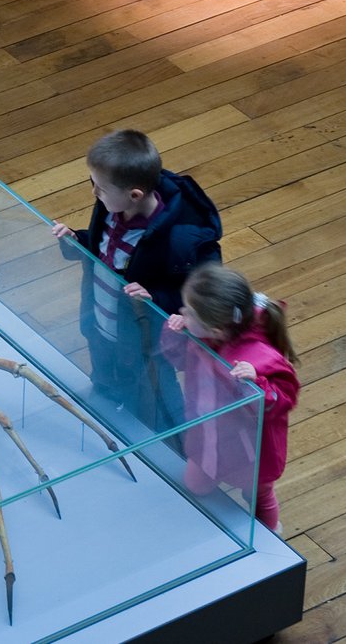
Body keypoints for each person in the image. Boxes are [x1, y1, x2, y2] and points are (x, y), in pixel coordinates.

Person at [51, 129, 222, 438]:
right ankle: (108, 416)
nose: (94, 193)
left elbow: (204, 290)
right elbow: (103, 250)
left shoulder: (182, 237)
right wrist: (76, 241)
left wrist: (154, 298)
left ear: (134, 195)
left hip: (144, 340)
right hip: (101, 321)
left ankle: (174, 445)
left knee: (155, 393)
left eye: (100, 187)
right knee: (105, 376)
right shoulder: (111, 208)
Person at [164, 263, 300, 533]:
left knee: (258, 495)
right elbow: (178, 361)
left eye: (188, 312)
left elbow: (286, 397)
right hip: (208, 434)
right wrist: (174, 333)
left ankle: (269, 534)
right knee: (195, 484)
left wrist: (259, 384)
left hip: (250, 448)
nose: (182, 313)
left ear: (216, 331)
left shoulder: (259, 357)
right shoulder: (202, 336)